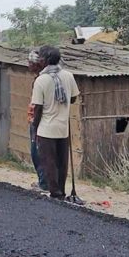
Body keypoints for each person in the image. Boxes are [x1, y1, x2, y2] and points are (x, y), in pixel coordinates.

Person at [31, 45, 80, 200]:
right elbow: (73, 98)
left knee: (49, 161)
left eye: (40, 58)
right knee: (62, 162)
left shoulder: (41, 80)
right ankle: (62, 190)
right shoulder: (68, 76)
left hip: (46, 129)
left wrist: (35, 128)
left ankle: (55, 193)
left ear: (44, 60)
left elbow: (37, 108)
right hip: (63, 128)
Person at [27, 50, 48, 192]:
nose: (28, 65)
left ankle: (44, 184)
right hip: (40, 121)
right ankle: (44, 182)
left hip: (39, 121)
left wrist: (35, 123)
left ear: (37, 64)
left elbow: (39, 106)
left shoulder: (40, 81)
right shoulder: (40, 79)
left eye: (30, 63)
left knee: (38, 153)